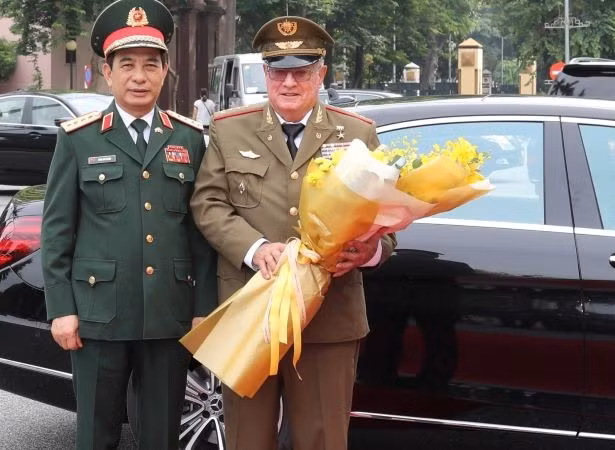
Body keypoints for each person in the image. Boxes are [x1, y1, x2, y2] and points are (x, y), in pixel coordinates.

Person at [190, 15, 396, 450]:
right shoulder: (229, 128)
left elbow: (386, 218)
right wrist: (254, 247)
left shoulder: (357, 133)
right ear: (265, 74)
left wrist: (371, 251)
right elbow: (207, 204)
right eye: (278, 72)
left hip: (328, 318)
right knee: (247, 439)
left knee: (322, 439)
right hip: (250, 309)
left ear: (321, 74)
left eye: (301, 71)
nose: (288, 82)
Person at [40, 0, 217, 448]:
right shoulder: (78, 139)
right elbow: (57, 231)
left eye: (151, 65)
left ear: (165, 71)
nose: (140, 76)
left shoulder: (190, 138)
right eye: (127, 65)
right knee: (95, 433)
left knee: (161, 435)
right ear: (107, 72)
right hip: (98, 315)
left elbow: (201, 232)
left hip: (169, 316)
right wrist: (61, 309)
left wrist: (204, 307)